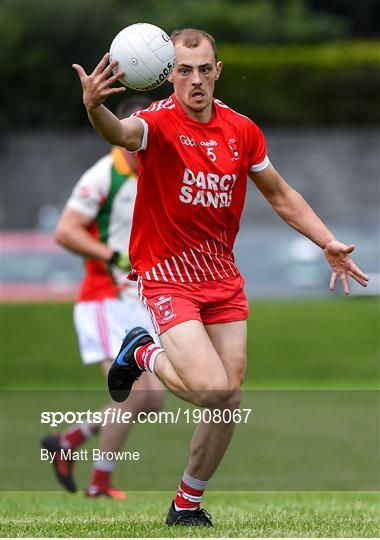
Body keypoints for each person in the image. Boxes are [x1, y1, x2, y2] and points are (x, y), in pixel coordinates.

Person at [72, 28, 369, 524]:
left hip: (222, 277)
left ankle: (186, 506)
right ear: (170, 75)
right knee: (211, 390)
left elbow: (279, 193)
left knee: (227, 400)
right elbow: (120, 135)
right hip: (167, 275)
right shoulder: (156, 123)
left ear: (218, 71)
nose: (195, 80)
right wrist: (93, 107)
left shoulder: (242, 129)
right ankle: (142, 350)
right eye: (184, 70)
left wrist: (327, 242)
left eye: (203, 69)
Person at [41, 97, 164, 499]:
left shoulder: (153, 170)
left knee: (153, 401)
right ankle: (100, 483)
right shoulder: (102, 175)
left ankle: (70, 440)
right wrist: (112, 256)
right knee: (131, 393)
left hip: (137, 302)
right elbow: (65, 231)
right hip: (104, 298)